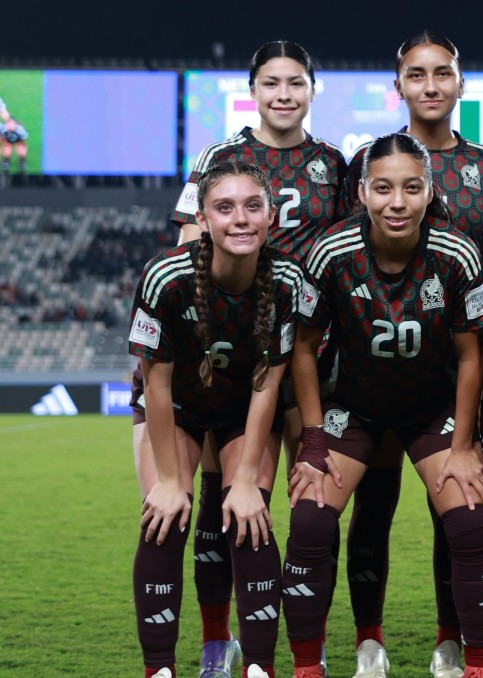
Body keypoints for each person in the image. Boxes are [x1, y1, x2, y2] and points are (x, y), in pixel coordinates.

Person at [131, 41, 350, 677]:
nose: (284, 94)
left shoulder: (331, 167)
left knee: (261, 504)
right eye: (271, 82)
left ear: (312, 90)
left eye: (296, 82)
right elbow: (158, 375)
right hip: (197, 363)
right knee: (174, 508)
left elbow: (338, 253)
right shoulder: (210, 180)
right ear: (251, 90)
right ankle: (195, 651)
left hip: (283, 353)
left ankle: (273, 657)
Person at [281, 132, 483, 678]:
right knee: (309, 519)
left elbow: (471, 356)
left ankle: (463, 656)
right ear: (361, 193)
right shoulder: (331, 252)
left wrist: (465, 444)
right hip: (354, 407)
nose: (397, 202)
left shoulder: (457, 253)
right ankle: (327, 660)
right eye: (383, 188)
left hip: (431, 408)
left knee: (469, 519)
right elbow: (303, 349)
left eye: (411, 188)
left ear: (429, 192)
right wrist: (312, 440)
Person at [343, 31, 483, 678]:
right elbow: (348, 254)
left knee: (453, 509)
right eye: (417, 74)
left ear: (460, 83)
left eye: (442, 73)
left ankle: (450, 640)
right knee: (374, 502)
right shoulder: (366, 160)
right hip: (374, 364)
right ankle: (369, 641)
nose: (430, 86)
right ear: (399, 85)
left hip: (454, 367)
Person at [131, 160, 306, 678]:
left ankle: (258, 667)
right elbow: (156, 385)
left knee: (250, 518)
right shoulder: (165, 276)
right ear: (203, 220)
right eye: (224, 208)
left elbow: (268, 385)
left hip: (243, 410)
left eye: (252, 206)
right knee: (164, 519)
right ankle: (159, 669)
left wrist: (247, 478)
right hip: (175, 409)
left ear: (270, 215)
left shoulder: (288, 281)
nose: (240, 219)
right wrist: (168, 481)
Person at [0, 95, 29, 174]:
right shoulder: (4, 128)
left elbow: (3, 111)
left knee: (20, 146)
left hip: (17, 134)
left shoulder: (19, 130)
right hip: (6, 133)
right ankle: (6, 161)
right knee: (7, 146)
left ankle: (22, 161)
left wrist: (10, 123)